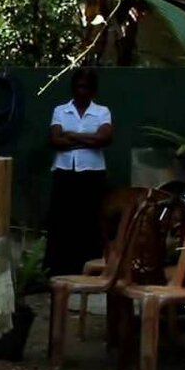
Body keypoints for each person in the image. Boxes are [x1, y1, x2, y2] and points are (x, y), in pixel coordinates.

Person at [44, 67, 113, 278]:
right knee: (63, 221)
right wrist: (88, 140)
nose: (81, 91)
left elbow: (104, 139)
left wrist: (72, 135)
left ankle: (88, 269)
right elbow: (55, 140)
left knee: (89, 222)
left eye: (86, 87)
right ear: (73, 88)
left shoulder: (102, 112)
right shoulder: (60, 110)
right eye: (78, 86)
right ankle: (59, 269)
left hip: (92, 175)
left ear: (93, 90)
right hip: (65, 173)